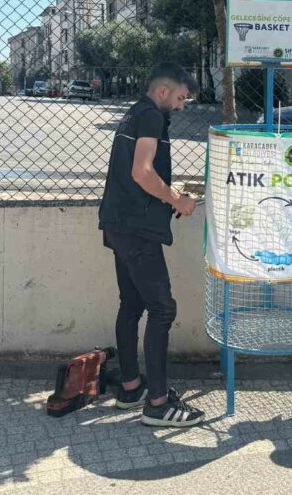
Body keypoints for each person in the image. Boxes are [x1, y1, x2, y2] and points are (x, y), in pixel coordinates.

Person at [99, 62, 204, 428]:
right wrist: (177, 199)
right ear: (163, 91)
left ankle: (131, 388)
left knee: (132, 304)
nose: (181, 106)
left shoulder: (134, 113)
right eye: (180, 98)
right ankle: (158, 404)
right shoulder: (151, 117)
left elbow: (138, 174)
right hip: (136, 229)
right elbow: (142, 172)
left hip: (118, 223)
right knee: (162, 310)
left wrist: (170, 195)